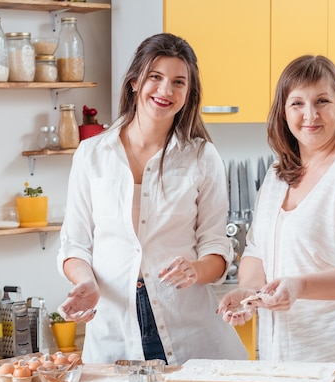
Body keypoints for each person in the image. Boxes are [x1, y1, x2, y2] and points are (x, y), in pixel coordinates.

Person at [56, 33, 248, 365]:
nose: (165, 91)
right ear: (134, 82)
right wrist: (86, 281)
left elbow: (217, 250)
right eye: (155, 78)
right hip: (114, 329)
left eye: (178, 82)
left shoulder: (202, 157)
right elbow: (74, 244)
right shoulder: (92, 155)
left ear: (188, 94)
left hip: (188, 329)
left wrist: (195, 269)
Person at [217, 55, 335, 370]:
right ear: (283, 112)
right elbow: (257, 251)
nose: (310, 114)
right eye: (297, 103)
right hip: (281, 358)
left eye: (322, 101)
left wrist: (299, 287)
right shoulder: (276, 175)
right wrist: (250, 293)